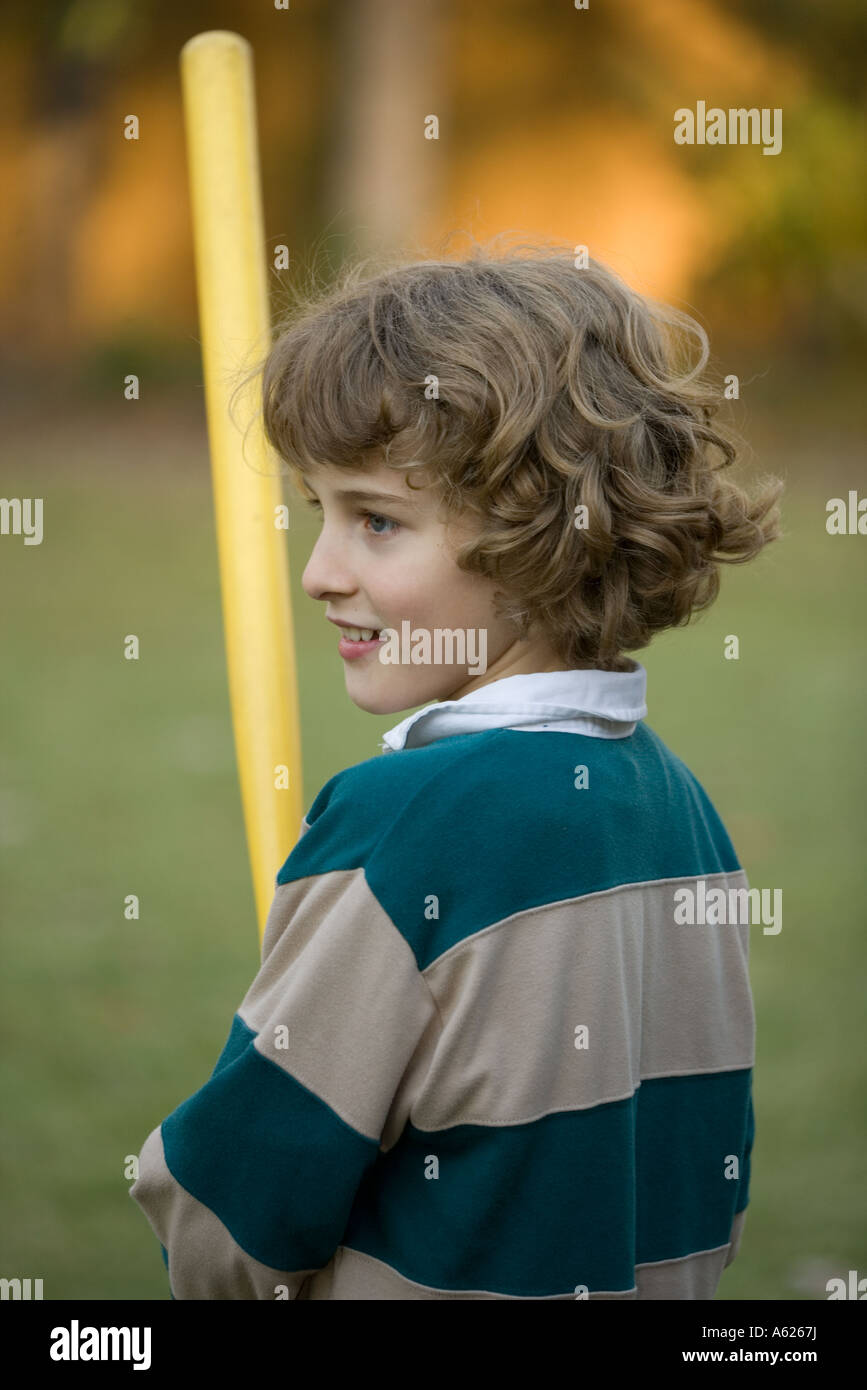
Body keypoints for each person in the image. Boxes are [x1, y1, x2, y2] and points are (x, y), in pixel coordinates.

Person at [130, 239, 782, 1298]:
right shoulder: (680, 809)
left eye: (377, 520)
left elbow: (235, 1211)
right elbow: (710, 1179)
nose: (317, 572)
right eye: (318, 512)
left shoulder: (408, 822)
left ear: (540, 534)